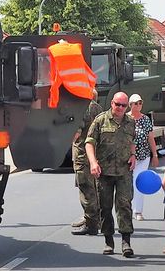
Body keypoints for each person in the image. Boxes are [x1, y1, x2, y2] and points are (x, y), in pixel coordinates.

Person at [86, 91, 136, 257]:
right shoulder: (100, 120)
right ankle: (108, 240)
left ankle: (126, 241)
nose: (120, 108)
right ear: (112, 103)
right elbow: (89, 142)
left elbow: (132, 142)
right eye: (117, 104)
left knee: (124, 205)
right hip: (104, 171)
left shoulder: (130, 122)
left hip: (123, 171)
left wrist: (133, 155)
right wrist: (93, 162)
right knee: (105, 207)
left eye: (123, 105)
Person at [71, 89, 104, 235]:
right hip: (95, 154)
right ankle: (93, 219)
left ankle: (91, 224)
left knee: (86, 190)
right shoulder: (99, 110)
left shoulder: (82, 109)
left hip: (83, 155)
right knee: (95, 189)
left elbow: (76, 133)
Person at [128, 94, 159, 221]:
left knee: (139, 182)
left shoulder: (145, 119)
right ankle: (126, 210)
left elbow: (150, 138)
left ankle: (138, 211)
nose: (138, 105)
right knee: (128, 184)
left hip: (143, 156)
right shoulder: (125, 118)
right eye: (136, 103)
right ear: (130, 105)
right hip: (128, 157)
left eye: (140, 103)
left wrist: (155, 155)